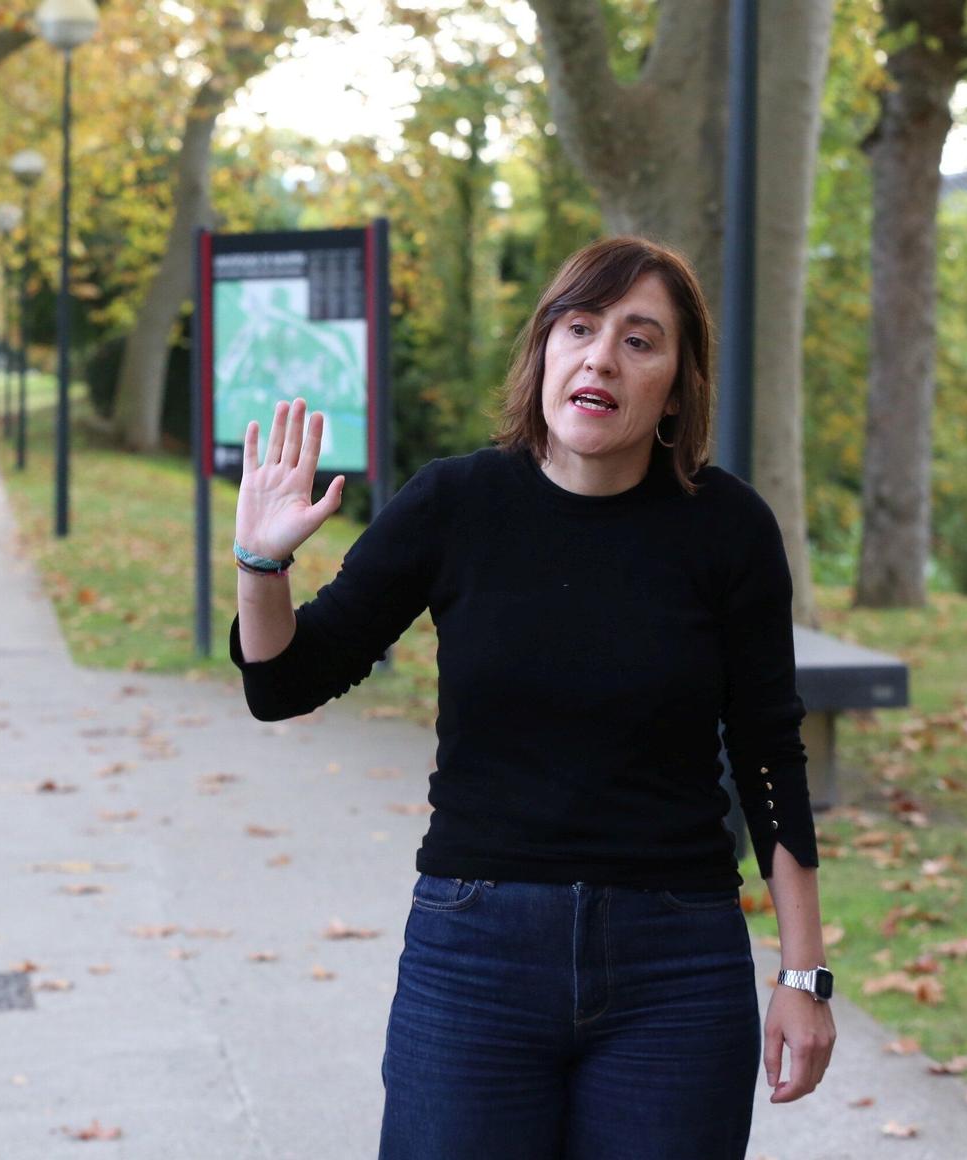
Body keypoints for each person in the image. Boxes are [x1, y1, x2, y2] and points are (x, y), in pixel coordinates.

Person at [229, 236, 836, 1159]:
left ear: (676, 386)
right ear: (545, 352)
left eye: (640, 340)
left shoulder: (728, 529)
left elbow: (768, 751)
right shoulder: (456, 503)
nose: (600, 356)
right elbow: (284, 682)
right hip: (475, 956)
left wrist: (803, 973)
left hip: (675, 965)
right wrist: (261, 563)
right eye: (580, 328)